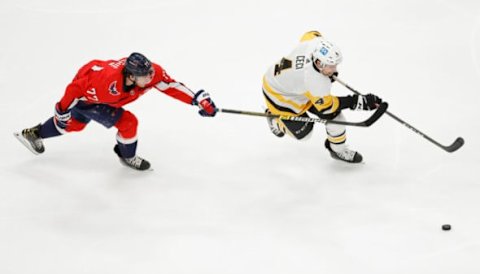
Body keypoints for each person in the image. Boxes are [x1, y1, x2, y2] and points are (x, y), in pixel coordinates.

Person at [14, 52, 217, 170]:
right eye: (144, 75)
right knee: (128, 123)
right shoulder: (107, 85)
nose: (151, 77)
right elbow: (76, 89)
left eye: (150, 72)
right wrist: (61, 109)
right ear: (130, 76)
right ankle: (126, 155)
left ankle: (33, 134)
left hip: (92, 86)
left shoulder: (150, 72)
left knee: (73, 125)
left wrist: (197, 99)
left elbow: (170, 86)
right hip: (89, 95)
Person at [262, 31, 386, 163]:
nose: (334, 70)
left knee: (337, 119)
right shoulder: (314, 81)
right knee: (305, 134)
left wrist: (326, 72)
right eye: (331, 66)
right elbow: (326, 107)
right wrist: (356, 101)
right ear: (319, 63)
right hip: (280, 96)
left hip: (296, 87)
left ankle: (338, 151)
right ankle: (274, 120)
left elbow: (311, 34)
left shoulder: (314, 44)